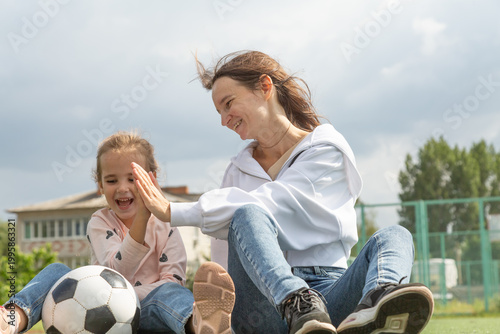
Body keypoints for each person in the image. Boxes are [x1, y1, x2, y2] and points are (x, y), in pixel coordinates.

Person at [132, 50, 434, 334]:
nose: (224, 120)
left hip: (331, 297)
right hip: (263, 307)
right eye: (219, 112)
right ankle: (295, 302)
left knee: (395, 235)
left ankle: (375, 305)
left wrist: (178, 211)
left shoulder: (327, 150)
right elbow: (225, 260)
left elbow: (279, 204)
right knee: (246, 216)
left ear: (264, 87)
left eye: (228, 104)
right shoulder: (236, 171)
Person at [1, 131, 235, 334]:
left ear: (151, 181)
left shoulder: (166, 224)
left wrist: (127, 298)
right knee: (57, 271)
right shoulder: (100, 222)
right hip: (97, 310)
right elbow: (114, 272)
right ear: (100, 186)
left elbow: (173, 280)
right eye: (112, 180)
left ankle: (201, 323)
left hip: (148, 310)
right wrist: (142, 218)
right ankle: (11, 319)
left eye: (132, 179)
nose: (122, 188)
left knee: (170, 291)